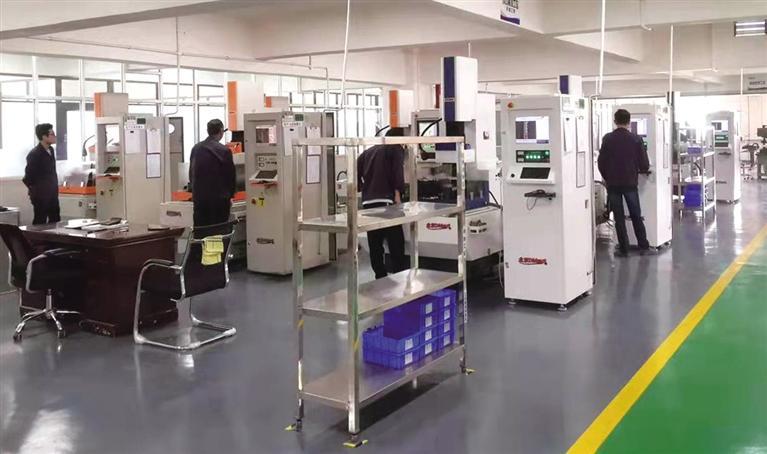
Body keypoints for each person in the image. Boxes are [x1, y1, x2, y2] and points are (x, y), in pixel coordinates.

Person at [598, 109, 651, 257]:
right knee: (636, 215)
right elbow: (644, 164)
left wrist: (607, 177)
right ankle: (643, 246)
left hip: (613, 184)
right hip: (630, 183)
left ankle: (624, 248)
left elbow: (601, 162)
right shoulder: (636, 139)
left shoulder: (607, 139)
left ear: (615, 121)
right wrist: (641, 170)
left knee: (619, 218)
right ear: (629, 122)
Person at [358, 127, 408, 278]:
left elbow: (356, 170)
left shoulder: (369, 151)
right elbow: (397, 172)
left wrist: (364, 188)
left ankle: (380, 276)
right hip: (387, 202)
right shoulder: (395, 148)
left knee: (375, 243)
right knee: (396, 243)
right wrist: (398, 194)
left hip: (368, 202)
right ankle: (399, 276)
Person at [189, 119, 235, 227]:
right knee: (218, 230)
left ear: (208, 131)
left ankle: (201, 239)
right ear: (221, 131)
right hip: (219, 201)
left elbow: (191, 173)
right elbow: (230, 177)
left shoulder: (196, 148)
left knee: (201, 230)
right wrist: (230, 196)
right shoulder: (224, 151)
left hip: (200, 199)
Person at [23, 123, 60, 225]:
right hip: (40, 195)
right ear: (44, 136)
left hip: (52, 193)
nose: (55, 136)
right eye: (52, 134)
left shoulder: (51, 150)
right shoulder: (34, 154)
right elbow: (28, 177)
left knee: (55, 219)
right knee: (40, 221)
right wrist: (35, 190)